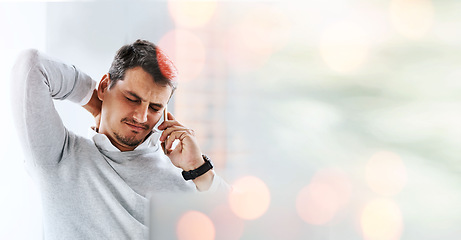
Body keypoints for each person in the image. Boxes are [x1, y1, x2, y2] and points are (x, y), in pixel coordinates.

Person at [11, 39, 229, 239]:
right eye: (132, 99)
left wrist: (198, 169)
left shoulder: (188, 177)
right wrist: (94, 100)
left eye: (154, 107)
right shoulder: (58, 157)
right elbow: (31, 66)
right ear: (105, 86)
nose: (141, 117)